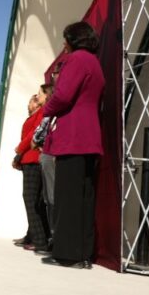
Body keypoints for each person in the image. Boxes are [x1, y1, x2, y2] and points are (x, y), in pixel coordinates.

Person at [39, 22, 106, 268]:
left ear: (74, 40)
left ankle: (67, 253)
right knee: (84, 198)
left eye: (65, 39)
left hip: (73, 134)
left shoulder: (76, 60)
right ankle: (83, 253)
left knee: (67, 197)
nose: (63, 44)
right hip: (90, 135)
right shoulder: (94, 62)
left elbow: (63, 96)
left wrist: (46, 109)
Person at [14, 90, 49, 251]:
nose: (29, 104)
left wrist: (19, 150)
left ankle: (40, 240)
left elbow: (32, 135)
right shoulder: (35, 114)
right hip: (28, 158)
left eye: (32, 100)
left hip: (34, 158)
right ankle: (32, 234)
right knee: (33, 199)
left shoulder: (42, 112)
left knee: (31, 199)